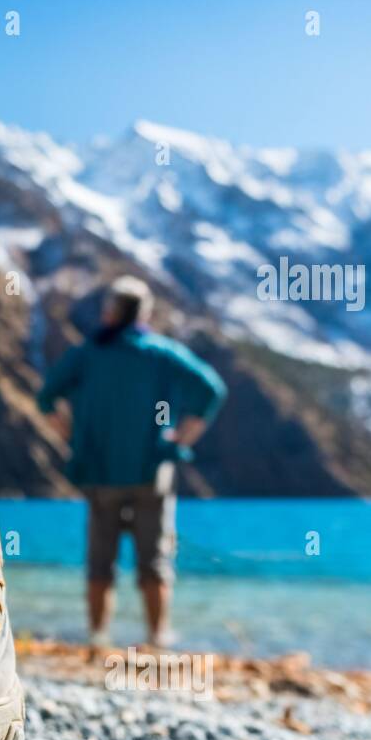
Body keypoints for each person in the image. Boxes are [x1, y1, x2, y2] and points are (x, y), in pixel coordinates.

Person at [37, 276, 226, 648]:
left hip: (99, 471)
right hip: (151, 470)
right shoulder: (161, 352)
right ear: (145, 313)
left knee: (100, 561)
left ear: (109, 311)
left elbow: (46, 397)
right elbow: (211, 390)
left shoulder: (86, 353)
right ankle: (157, 637)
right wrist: (183, 436)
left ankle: (98, 638)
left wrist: (70, 435)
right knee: (154, 559)